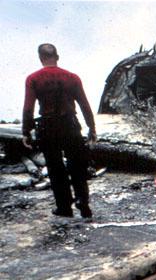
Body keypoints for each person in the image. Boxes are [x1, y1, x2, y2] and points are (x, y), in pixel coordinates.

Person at [22, 43, 96, 219]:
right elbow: (85, 105)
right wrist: (91, 127)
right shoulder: (72, 77)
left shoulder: (33, 79)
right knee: (77, 164)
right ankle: (82, 202)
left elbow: (28, 109)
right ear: (57, 56)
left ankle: (64, 207)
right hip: (70, 124)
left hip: (47, 128)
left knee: (55, 167)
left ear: (41, 59)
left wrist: (26, 131)